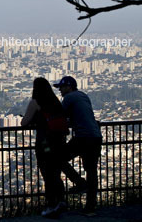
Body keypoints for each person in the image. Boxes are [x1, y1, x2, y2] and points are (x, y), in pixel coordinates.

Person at [53, 76, 102, 216]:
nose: (60, 90)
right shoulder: (83, 96)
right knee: (92, 171)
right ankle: (91, 208)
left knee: (58, 158)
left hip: (83, 137)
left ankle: (79, 182)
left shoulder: (69, 98)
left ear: (69, 87)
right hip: (95, 136)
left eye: (62, 87)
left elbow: (59, 116)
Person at [22, 77, 68, 218]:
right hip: (59, 141)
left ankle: (51, 205)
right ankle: (61, 201)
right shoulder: (55, 102)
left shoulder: (35, 102)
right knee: (55, 171)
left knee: (47, 172)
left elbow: (24, 122)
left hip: (45, 144)